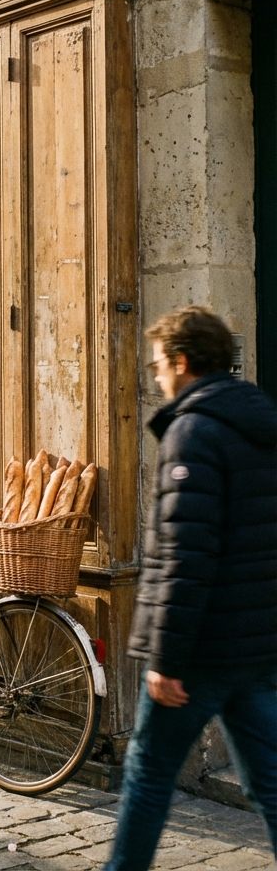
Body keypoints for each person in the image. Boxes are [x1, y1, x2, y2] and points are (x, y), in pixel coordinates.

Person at [106, 306, 277, 870]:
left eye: (158, 363)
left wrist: (166, 658)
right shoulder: (260, 423)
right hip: (256, 644)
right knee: (270, 784)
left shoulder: (193, 431)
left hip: (202, 649)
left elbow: (185, 555)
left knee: (149, 773)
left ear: (182, 362)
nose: (156, 375)